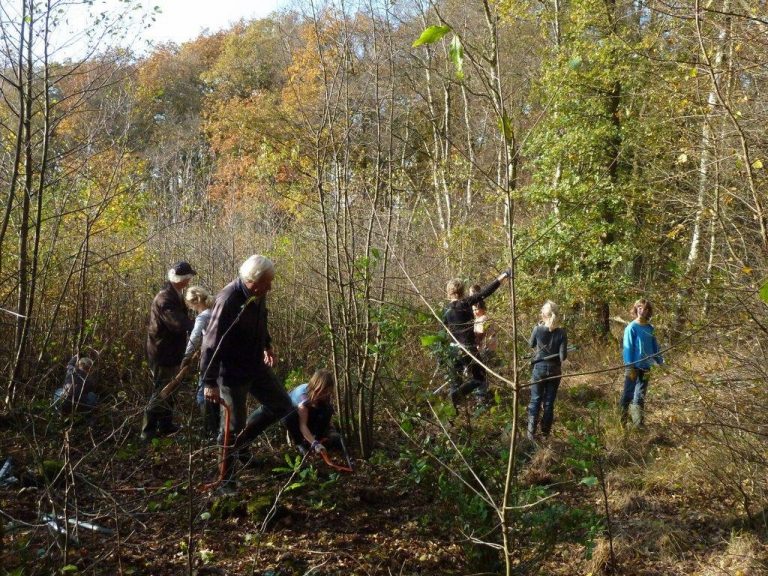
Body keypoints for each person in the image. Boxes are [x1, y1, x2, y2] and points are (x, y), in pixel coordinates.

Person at [201, 254, 293, 493]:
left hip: (255, 365)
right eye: (267, 283)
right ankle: (225, 481)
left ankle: (242, 445)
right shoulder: (227, 300)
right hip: (231, 373)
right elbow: (211, 343)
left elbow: (261, 319)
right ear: (252, 281)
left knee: (282, 404)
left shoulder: (257, 294)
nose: (270, 288)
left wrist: (267, 345)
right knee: (231, 428)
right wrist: (209, 381)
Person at [141, 261, 196, 441]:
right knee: (162, 390)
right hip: (163, 352)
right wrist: (199, 325)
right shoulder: (165, 298)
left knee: (172, 389)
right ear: (182, 279)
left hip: (172, 351)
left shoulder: (175, 294)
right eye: (188, 277)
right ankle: (147, 432)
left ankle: (165, 425)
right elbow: (177, 323)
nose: (189, 280)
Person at [443, 269, 510, 406]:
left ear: (449, 292)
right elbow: (486, 292)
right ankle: (459, 394)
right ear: (462, 291)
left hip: (453, 350)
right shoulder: (465, 303)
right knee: (479, 377)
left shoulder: (446, 311)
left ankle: (453, 409)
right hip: (468, 349)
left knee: (455, 382)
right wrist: (503, 275)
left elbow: (444, 332)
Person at [527, 301, 568, 440]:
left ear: (543, 315)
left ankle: (530, 434)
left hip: (539, 369)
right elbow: (563, 357)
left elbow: (531, 344)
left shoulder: (537, 329)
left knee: (535, 400)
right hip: (555, 370)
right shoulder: (562, 332)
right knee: (549, 403)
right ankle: (545, 434)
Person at [620, 298, 663, 428]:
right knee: (628, 393)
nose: (642, 311)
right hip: (633, 366)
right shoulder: (631, 327)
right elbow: (628, 347)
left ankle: (638, 424)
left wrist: (660, 361)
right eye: (640, 308)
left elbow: (655, 347)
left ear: (648, 311)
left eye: (645, 309)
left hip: (646, 366)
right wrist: (629, 366)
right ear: (636, 309)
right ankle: (622, 422)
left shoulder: (650, 328)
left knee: (640, 395)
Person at [183, 286, 219, 438]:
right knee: (217, 392)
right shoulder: (216, 312)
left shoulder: (203, 316)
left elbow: (195, 337)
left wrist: (186, 356)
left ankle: (210, 431)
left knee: (202, 395)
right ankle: (216, 428)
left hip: (209, 360)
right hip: (220, 359)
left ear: (194, 302)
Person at [285, 369, 340, 455]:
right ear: (316, 387)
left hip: (309, 411)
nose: (326, 395)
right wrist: (315, 444)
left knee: (328, 409)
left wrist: (330, 427)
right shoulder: (303, 398)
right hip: (296, 416)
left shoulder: (324, 396)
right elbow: (303, 425)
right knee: (289, 417)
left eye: (328, 392)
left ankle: (318, 436)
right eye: (324, 392)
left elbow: (325, 411)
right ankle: (300, 443)